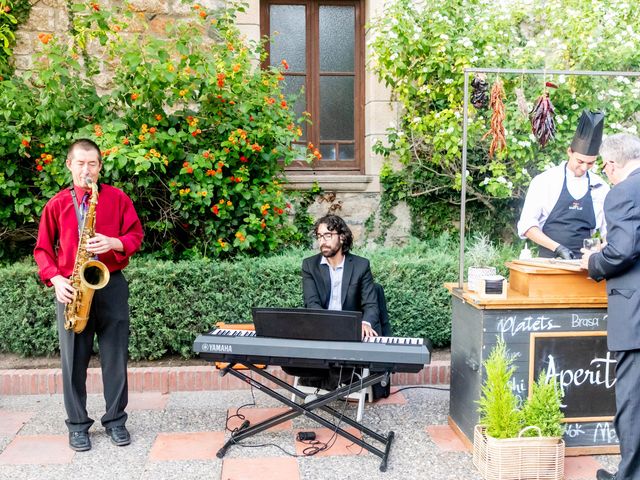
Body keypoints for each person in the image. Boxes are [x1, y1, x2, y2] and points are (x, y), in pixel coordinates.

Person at [34, 139, 144, 452]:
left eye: (92, 164)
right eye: (80, 163)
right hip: (71, 287)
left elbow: (135, 235)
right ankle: (78, 426)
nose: (87, 170)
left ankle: (116, 421)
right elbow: (42, 249)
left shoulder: (117, 198)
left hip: (110, 285)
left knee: (115, 357)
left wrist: (114, 242)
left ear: (99, 166)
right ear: (69, 165)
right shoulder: (57, 203)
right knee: (73, 362)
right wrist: (55, 279)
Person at [580, 133, 640, 480]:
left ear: (613, 164)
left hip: (634, 318)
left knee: (632, 405)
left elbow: (622, 251)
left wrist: (593, 260)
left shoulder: (622, 192)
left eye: (606, 167)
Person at [289, 214, 387, 394]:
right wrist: (329, 328)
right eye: (319, 236)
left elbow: (371, 304)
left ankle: (328, 382)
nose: (322, 241)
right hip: (322, 328)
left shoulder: (360, 265)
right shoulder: (310, 265)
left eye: (328, 235)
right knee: (290, 358)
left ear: (341, 237)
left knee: (351, 348)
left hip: (350, 332)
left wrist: (365, 323)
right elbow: (312, 304)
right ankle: (334, 379)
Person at [517, 110, 609, 259]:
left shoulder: (601, 186)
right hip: (550, 261)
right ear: (569, 152)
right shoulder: (545, 181)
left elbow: (610, 232)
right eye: (580, 161)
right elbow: (527, 226)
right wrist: (558, 248)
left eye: (590, 163)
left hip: (586, 265)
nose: (584, 167)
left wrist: (602, 251)